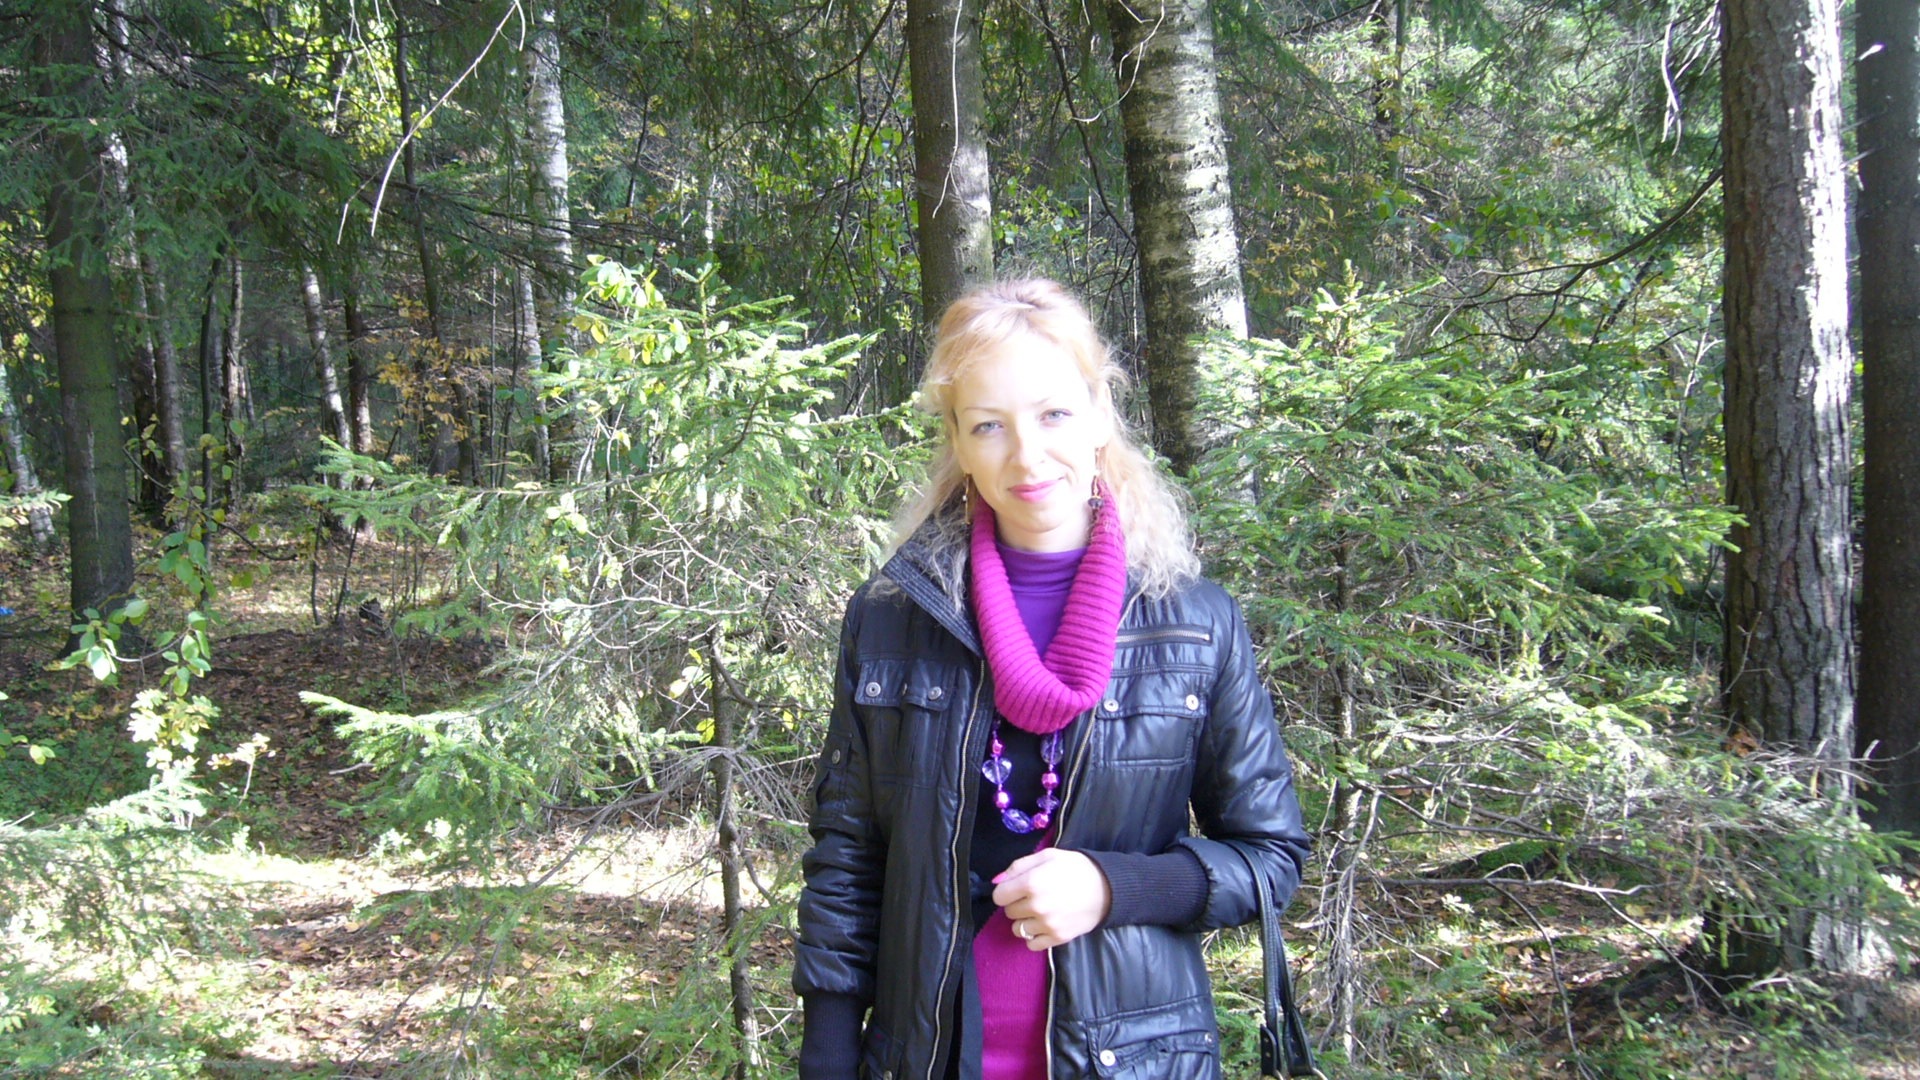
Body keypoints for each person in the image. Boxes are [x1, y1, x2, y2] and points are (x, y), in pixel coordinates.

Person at [794, 279, 1310, 1080]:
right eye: (989, 425)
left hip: (1137, 1063)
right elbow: (849, 853)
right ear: (958, 441)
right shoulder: (893, 617)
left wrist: (1115, 887)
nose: (1027, 455)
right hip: (926, 1058)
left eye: (1054, 414)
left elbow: (1270, 858)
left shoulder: (1196, 623)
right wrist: (827, 1056)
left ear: (1100, 415)